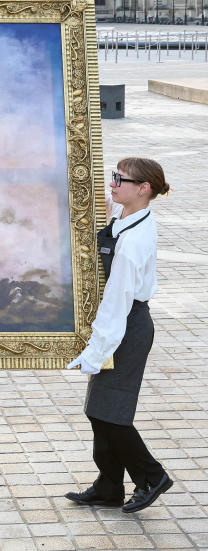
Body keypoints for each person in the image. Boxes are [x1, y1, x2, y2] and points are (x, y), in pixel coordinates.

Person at [65, 158, 173, 514]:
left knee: (110, 413)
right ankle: (109, 486)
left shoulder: (135, 241)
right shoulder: (127, 215)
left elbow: (117, 301)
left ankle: (151, 475)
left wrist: (96, 350)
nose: (112, 184)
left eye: (119, 179)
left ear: (143, 189)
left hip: (127, 325)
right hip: (121, 322)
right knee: (99, 410)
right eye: (113, 177)